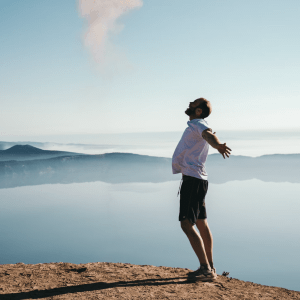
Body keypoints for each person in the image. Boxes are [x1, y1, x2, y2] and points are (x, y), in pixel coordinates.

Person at [172, 97, 231, 282]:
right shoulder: (196, 124)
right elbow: (207, 134)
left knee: (186, 224)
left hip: (192, 180)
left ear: (198, 111)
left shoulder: (198, 124)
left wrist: (217, 145)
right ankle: (210, 266)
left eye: (193, 103)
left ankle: (206, 270)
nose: (189, 104)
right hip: (198, 179)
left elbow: (208, 135)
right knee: (200, 222)